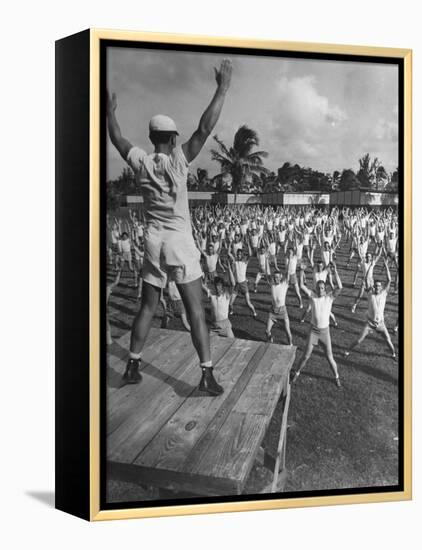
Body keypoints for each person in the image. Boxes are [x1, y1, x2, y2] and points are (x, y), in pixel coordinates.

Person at [107, 58, 232, 394]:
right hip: (179, 242)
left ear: (151, 137)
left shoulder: (141, 162)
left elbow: (118, 139)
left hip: (152, 241)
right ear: (174, 139)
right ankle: (205, 374)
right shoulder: (179, 161)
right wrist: (222, 88)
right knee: (194, 310)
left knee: (147, 305)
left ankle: (133, 364)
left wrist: (110, 112)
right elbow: (205, 129)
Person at [292, 262, 343, 387]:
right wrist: (301, 271)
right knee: (305, 356)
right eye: (318, 288)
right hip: (313, 331)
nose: (320, 290)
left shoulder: (329, 297)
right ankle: (297, 373)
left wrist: (335, 271)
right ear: (316, 288)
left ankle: (336, 376)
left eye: (322, 288)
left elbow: (340, 287)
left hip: (325, 333)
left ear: (325, 289)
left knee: (329, 357)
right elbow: (301, 285)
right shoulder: (312, 296)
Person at [344, 259, 396, 359]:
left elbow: (389, 280)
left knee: (388, 339)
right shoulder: (370, 294)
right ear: (373, 287)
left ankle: (393, 354)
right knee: (359, 340)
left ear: (381, 288)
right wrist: (368, 269)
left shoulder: (384, 294)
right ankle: (347, 351)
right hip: (370, 324)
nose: (377, 288)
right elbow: (367, 278)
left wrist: (386, 266)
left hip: (380, 323)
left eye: (379, 286)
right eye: (376, 286)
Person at [265, 259, 293, 346]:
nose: (276, 279)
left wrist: (290, 260)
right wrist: (266, 259)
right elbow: (267, 272)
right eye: (275, 277)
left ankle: (290, 344)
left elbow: (288, 272)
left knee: (287, 331)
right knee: (267, 331)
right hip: (273, 311)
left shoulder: (284, 284)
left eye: (278, 277)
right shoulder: (272, 285)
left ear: (281, 277)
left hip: (282, 311)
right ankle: (270, 339)